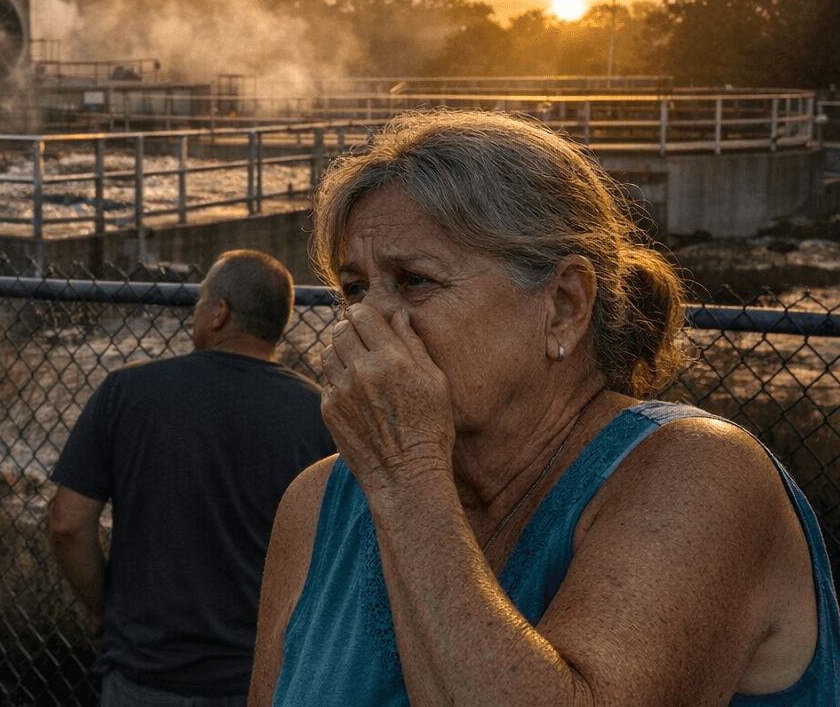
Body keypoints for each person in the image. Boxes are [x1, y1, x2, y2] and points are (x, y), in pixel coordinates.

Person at [250, 109, 840, 707]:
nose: (365, 320)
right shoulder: (316, 504)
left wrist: (406, 472)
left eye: (414, 280)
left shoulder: (700, 475)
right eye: (354, 289)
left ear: (563, 307)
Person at [48, 249, 338, 706]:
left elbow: (67, 524)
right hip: (260, 678)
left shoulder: (127, 392)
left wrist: (105, 611)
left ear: (219, 313)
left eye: (200, 302)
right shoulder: (321, 415)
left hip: (143, 671)